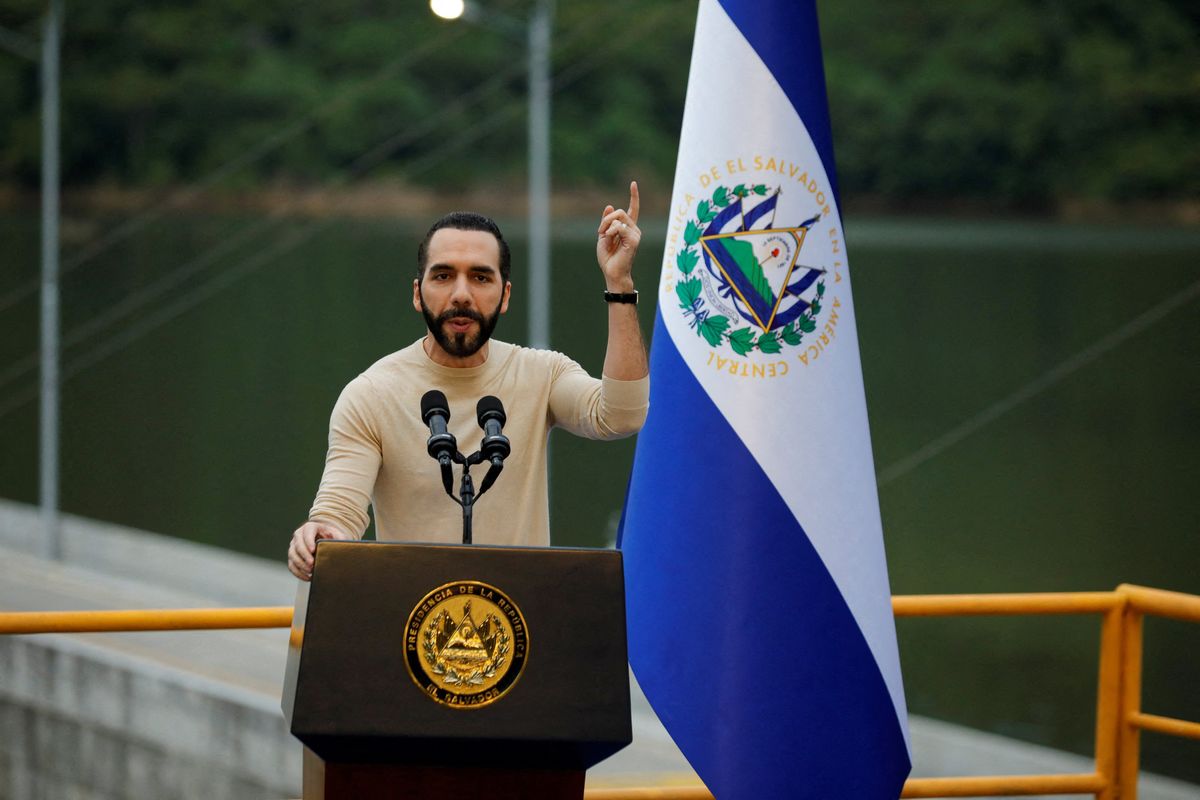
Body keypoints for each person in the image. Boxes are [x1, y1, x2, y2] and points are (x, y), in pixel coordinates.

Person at [287, 183, 649, 580]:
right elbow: (339, 515)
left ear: (505, 295)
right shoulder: (371, 394)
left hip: (522, 625)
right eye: (443, 276)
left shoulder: (542, 374)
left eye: (480, 277)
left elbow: (622, 416)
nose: (461, 294)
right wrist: (318, 537)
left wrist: (619, 285)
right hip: (414, 627)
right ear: (417, 293)